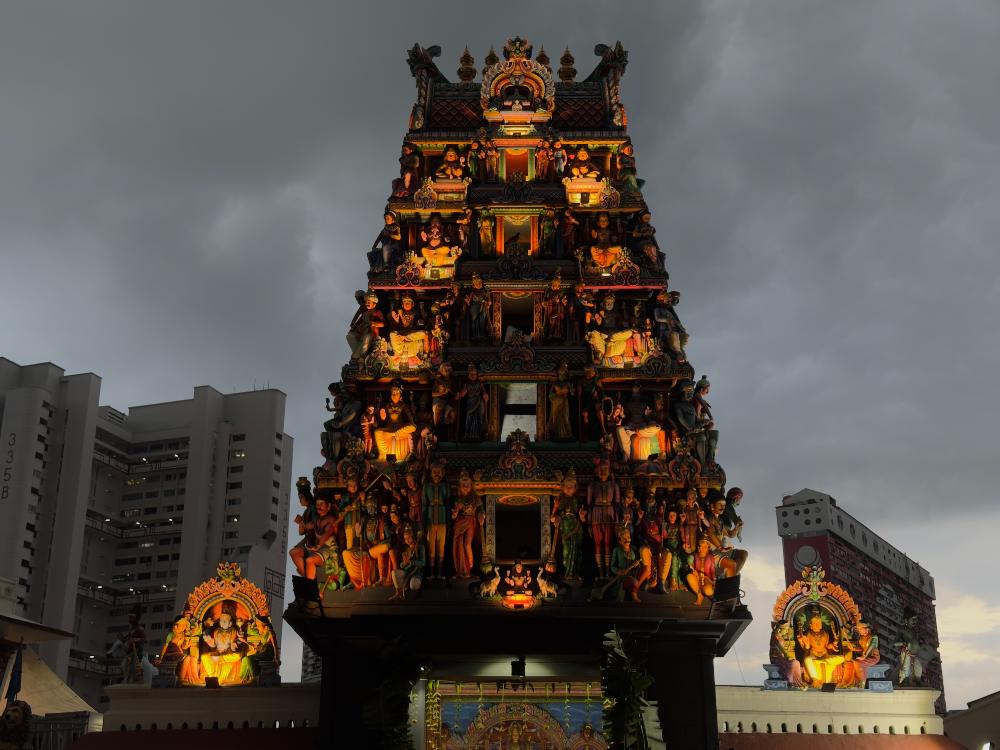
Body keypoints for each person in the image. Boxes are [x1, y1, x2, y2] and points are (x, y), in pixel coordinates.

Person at [587, 460, 620, 578]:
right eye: (601, 469)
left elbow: (617, 505)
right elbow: (589, 505)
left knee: (608, 544)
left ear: (609, 470)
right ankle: (600, 572)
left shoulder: (614, 485)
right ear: (597, 471)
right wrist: (589, 523)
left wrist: (616, 522)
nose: (603, 471)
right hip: (596, 514)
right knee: (598, 544)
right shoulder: (592, 486)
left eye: (606, 469)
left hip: (610, 515)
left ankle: (607, 572)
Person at [450, 470, 481, 578]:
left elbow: (481, 508)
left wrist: (482, 514)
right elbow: (454, 515)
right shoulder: (458, 499)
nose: (466, 487)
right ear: (460, 486)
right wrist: (454, 514)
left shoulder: (475, 497)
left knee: (467, 544)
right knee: (458, 544)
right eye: (463, 485)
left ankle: (470, 568)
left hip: (470, 521)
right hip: (460, 522)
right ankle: (459, 570)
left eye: (467, 485)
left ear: (471, 485)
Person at [423, 462, 451, 580]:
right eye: (434, 472)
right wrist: (423, 522)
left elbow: (449, 504)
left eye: (439, 472)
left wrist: (449, 520)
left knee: (441, 548)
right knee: (431, 548)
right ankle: (431, 573)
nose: (436, 474)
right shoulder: (427, 486)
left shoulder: (446, 486)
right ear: (430, 473)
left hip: (442, 520)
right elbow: (424, 504)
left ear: (442, 473)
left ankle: (440, 573)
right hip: (430, 520)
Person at [547, 362, 573, 439]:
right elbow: (550, 395)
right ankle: (555, 434)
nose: (561, 376)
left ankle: (567, 434)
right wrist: (556, 395)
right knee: (555, 418)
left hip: (564, 402)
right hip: (556, 402)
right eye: (560, 374)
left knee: (565, 417)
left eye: (563, 374)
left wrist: (574, 390)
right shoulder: (554, 384)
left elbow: (572, 394)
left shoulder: (568, 384)